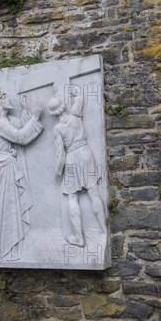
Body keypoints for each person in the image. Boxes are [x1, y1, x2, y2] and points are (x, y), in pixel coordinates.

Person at [0, 88, 43, 262]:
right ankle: (6, 251)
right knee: (7, 211)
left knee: (10, 209)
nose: (9, 100)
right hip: (3, 173)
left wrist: (26, 110)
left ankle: (9, 250)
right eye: (5, 98)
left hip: (5, 170)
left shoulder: (4, 120)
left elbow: (19, 125)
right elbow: (20, 137)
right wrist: (35, 117)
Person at [48, 86, 106, 247]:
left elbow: (60, 154)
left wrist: (58, 173)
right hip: (85, 153)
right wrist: (73, 91)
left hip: (72, 159)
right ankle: (104, 230)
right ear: (63, 107)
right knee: (94, 193)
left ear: (52, 113)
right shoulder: (75, 115)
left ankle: (79, 239)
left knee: (72, 198)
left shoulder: (57, 129)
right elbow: (80, 97)